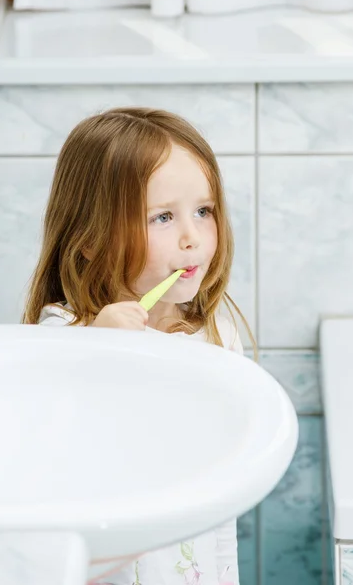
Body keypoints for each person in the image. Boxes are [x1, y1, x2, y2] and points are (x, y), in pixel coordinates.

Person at [23, 107, 256, 585]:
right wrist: (98, 355)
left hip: (195, 558)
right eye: (163, 217)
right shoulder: (66, 332)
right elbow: (41, 449)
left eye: (204, 211)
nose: (193, 238)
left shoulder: (215, 333)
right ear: (90, 239)